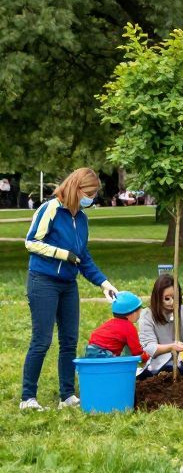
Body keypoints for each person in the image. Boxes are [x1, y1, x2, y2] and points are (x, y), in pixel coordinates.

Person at [21, 167, 119, 410]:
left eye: (94, 194)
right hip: (42, 281)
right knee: (41, 340)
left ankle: (67, 396)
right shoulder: (50, 209)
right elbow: (31, 242)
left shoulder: (82, 219)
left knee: (69, 341)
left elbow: (82, 256)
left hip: (68, 285)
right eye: (89, 193)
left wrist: (104, 283)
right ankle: (28, 398)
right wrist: (62, 254)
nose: (92, 198)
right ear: (76, 189)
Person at [84, 291, 148, 364]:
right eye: (140, 311)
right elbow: (137, 352)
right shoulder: (129, 327)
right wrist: (147, 357)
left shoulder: (110, 323)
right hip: (104, 355)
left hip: (90, 351)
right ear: (133, 313)